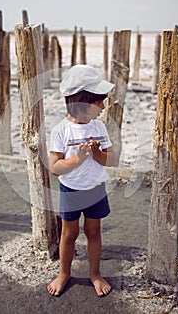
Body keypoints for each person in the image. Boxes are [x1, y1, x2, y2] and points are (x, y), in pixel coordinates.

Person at [47, 64, 115, 297]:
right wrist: (79, 158)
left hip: (95, 188)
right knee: (69, 234)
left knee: (94, 232)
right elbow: (55, 167)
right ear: (83, 102)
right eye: (99, 102)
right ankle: (64, 272)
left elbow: (111, 160)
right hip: (71, 190)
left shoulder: (99, 127)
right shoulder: (60, 131)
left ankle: (94, 274)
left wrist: (96, 153)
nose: (103, 107)